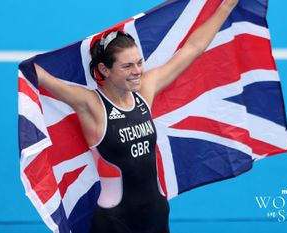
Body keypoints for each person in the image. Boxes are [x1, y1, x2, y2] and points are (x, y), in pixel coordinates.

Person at [34, 0, 238, 232]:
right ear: (104, 70)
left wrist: (226, 7)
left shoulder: (144, 91)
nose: (137, 71)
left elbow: (192, 49)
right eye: (127, 66)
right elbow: (42, 78)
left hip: (156, 215)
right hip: (114, 222)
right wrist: (27, 69)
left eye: (139, 63)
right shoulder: (91, 104)